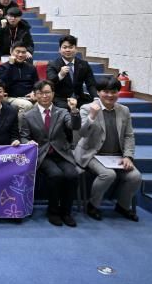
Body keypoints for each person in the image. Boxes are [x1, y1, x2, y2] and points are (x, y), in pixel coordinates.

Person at [76, 77, 142, 222]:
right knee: (108, 174)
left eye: (114, 92)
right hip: (92, 153)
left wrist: (128, 156)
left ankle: (123, 206)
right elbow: (82, 133)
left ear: (118, 93)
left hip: (116, 155)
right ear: (98, 92)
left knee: (135, 177)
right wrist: (92, 116)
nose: (110, 95)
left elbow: (129, 135)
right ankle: (93, 205)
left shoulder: (124, 110)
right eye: (105, 91)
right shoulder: (87, 108)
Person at [20, 80, 81, 227]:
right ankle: (53, 211)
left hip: (62, 153)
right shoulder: (27, 115)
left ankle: (66, 212)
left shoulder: (62, 112)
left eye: (47, 92)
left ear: (53, 94)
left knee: (72, 175)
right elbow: (23, 136)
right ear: (35, 95)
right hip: (42, 155)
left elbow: (74, 126)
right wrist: (28, 142)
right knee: (56, 175)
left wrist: (74, 110)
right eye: (40, 93)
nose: (44, 96)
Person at [47, 35, 98, 109]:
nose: (68, 50)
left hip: (79, 98)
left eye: (71, 47)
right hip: (61, 99)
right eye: (65, 47)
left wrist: (96, 98)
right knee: (64, 109)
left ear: (76, 49)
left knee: (94, 106)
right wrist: (60, 75)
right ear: (59, 50)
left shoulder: (84, 64)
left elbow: (91, 84)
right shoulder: (53, 64)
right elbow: (49, 83)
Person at [0, 41, 38, 120]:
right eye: (18, 52)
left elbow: (36, 84)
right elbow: (2, 84)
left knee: (43, 104)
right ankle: (20, 128)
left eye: (23, 52)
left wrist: (34, 92)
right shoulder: (3, 67)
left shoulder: (31, 68)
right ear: (11, 52)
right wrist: (10, 65)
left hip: (28, 97)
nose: (20, 55)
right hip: (11, 97)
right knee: (27, 105)